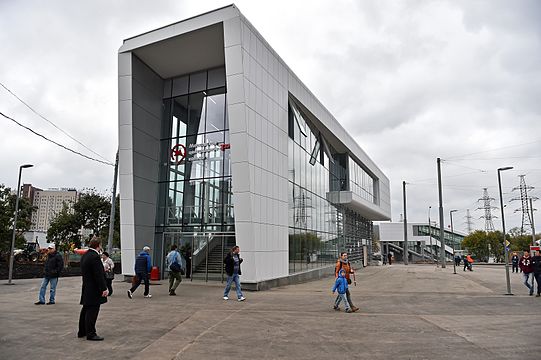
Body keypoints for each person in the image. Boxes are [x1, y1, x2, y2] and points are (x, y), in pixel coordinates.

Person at [78, 237, 108, 341]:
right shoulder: (95, 257)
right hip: (94, 289)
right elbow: (98, 275)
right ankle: (91, 333)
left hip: (87, 287)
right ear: (98, 245)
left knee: (85, 309)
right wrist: (104, 288)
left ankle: (82, 331)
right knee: (92, 311)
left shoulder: (85, 255)